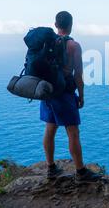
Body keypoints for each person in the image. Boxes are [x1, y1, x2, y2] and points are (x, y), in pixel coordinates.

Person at [40, 11, 102, 182]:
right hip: (65, 94)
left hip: (47, 92)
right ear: (71, 25)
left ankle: (51, 167)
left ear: (55, 24)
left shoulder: (47, 42)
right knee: (73, 132)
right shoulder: (74, 46)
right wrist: (81, 96)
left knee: (50, 128)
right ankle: (81, 172)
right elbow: (78, 75)